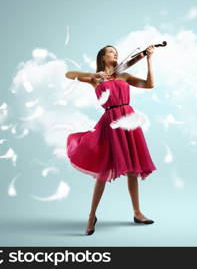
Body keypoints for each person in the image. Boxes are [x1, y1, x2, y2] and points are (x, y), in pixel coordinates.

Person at [65, 44, 157, 235]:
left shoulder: (124, 75)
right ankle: (91, 216)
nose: (115, 53)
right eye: (110, 51)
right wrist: (94, 74)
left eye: (116, 52)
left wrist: (148, 58)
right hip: (110, 124)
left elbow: (150, 84)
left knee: (133, 169)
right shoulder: (95, 79)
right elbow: (68, 74)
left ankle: (137, 212)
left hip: (128, 121)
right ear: (102, 57)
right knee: (102, 171)